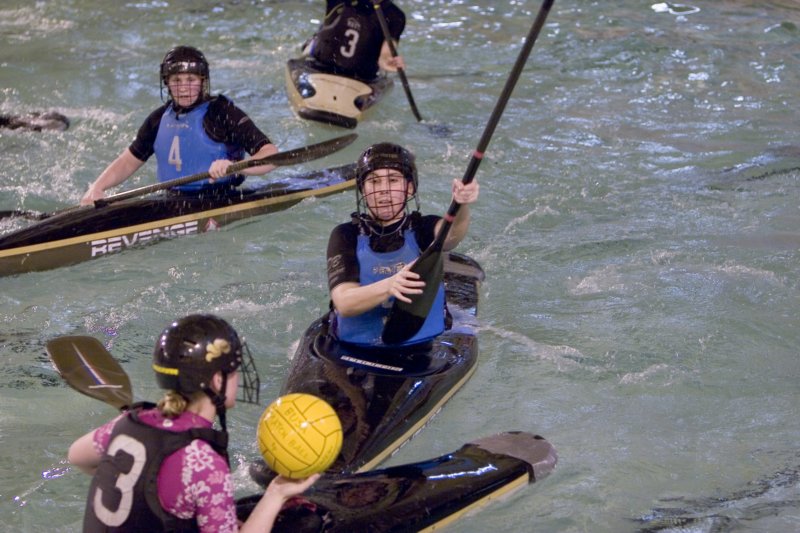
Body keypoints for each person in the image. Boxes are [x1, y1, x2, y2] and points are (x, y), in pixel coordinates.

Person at [68, 314, 318, 532]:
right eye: (233, 371)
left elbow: (77, 456)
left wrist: (138, 491)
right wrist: (277, 493)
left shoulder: (127, 423)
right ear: (217, 381)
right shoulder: (202, 461)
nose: (238, 377)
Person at [81, 46, 278, 205]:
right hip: (171, 199)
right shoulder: (157, 120)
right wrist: (97, 187)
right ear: (167, 83)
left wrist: (236, 167)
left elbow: (270, 155)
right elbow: (127, 162)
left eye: (191, 79)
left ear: (202, 82)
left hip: (221, 197)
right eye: (176, 80)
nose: (183, 88)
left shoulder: (222, 113)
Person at [326, 142, 479, 346]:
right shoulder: (346, 235)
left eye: (393, 180)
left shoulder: (423, 228)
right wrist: (391, 285)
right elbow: (344, 303)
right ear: (362, 189)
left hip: (423, 344)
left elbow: (451, 235)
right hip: (355, 346)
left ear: (409, 188)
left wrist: (462, 205)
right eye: (374, 181)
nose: (383, 190)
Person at [305, 0, 407, 82]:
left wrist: (387, 61)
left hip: (362, 77)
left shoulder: (396, 16)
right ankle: (310, 46)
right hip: (318, 65)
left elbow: (386, 53)